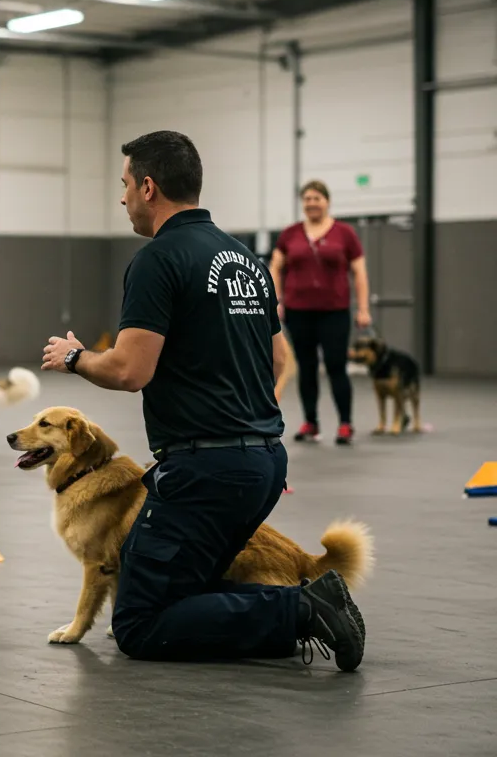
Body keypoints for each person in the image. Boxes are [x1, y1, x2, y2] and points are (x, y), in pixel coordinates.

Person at [40, 130, 365, 673]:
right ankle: (289, 614)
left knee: (138, 623)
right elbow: (278, 361)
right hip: (264, 462)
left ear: (148, 187)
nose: (122, 198)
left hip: (205, 471)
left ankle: (302, 609)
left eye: (125, 185)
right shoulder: (246, 259)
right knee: (189, 585)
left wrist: (75, 357)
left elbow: (129, 370)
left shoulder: (157, 260)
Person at [269, 180, 371, 445]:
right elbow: (275, 267)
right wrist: (275, 301)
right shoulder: (290, 234)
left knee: (336, 366)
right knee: (307, 368)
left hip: (334, 312)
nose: (312, 203)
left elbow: (359, 272)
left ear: (327, 201)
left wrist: (363, 309)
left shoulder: (345, 233)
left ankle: (345, 424)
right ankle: (310, 423)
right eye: (307, 199)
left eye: (317, 198)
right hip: (298, 312)